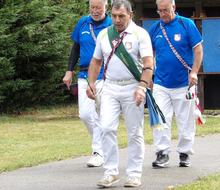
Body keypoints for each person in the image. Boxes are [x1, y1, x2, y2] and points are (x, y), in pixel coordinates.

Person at [87, 0, 154, 187]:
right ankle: (110, 172)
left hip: (133, 87)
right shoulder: (103, 35)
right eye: (114, 16)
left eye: (121, 16)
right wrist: (91, 83)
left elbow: (149, 65)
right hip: (109, 88)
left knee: (134, 132)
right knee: (106, 128)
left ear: (130, 15)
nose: (117, 20)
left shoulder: (140, 34)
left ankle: (134, 174)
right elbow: (95, 61)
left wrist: (142, 86)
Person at [149, 0, 203, 168]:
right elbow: (148, 53)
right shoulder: (155, 28)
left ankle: (185, 153)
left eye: (166, 10)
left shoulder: (186, 24)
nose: (163, 14)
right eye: (160, 11)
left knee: (185, 120)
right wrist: (149, 75)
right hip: (160, 83)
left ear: (174, 7)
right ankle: (162, 152)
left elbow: (198, 49)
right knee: (160, 119)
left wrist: (194, 71)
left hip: (184, 83)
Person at [62, 0, 112, 167]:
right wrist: (69, 70)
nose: (95, 11)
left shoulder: (112, 24)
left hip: (104, 75)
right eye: (92, 7)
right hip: (84, 74)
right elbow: (75, 48)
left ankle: (98, 152)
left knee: (100, 114)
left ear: (106, 7)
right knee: (85, 114)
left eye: (98, 7)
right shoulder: (83, 22)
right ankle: (102, 145)